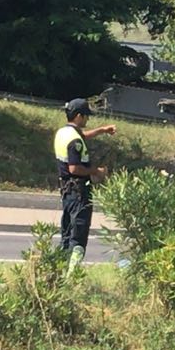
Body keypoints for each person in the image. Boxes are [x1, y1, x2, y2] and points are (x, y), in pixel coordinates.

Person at [55, 98, 117, 275]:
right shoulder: (74, 141)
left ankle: (59, 272)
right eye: (86, 117)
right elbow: (74, 168)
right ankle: (71, 276)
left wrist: (102, 130)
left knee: (66, 233)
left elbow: (83, 135)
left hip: (66, 191)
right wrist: (96, 171)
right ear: (79, 116)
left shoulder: (63, 133)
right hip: (79, 192)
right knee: (78, 235)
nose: (87, 120)